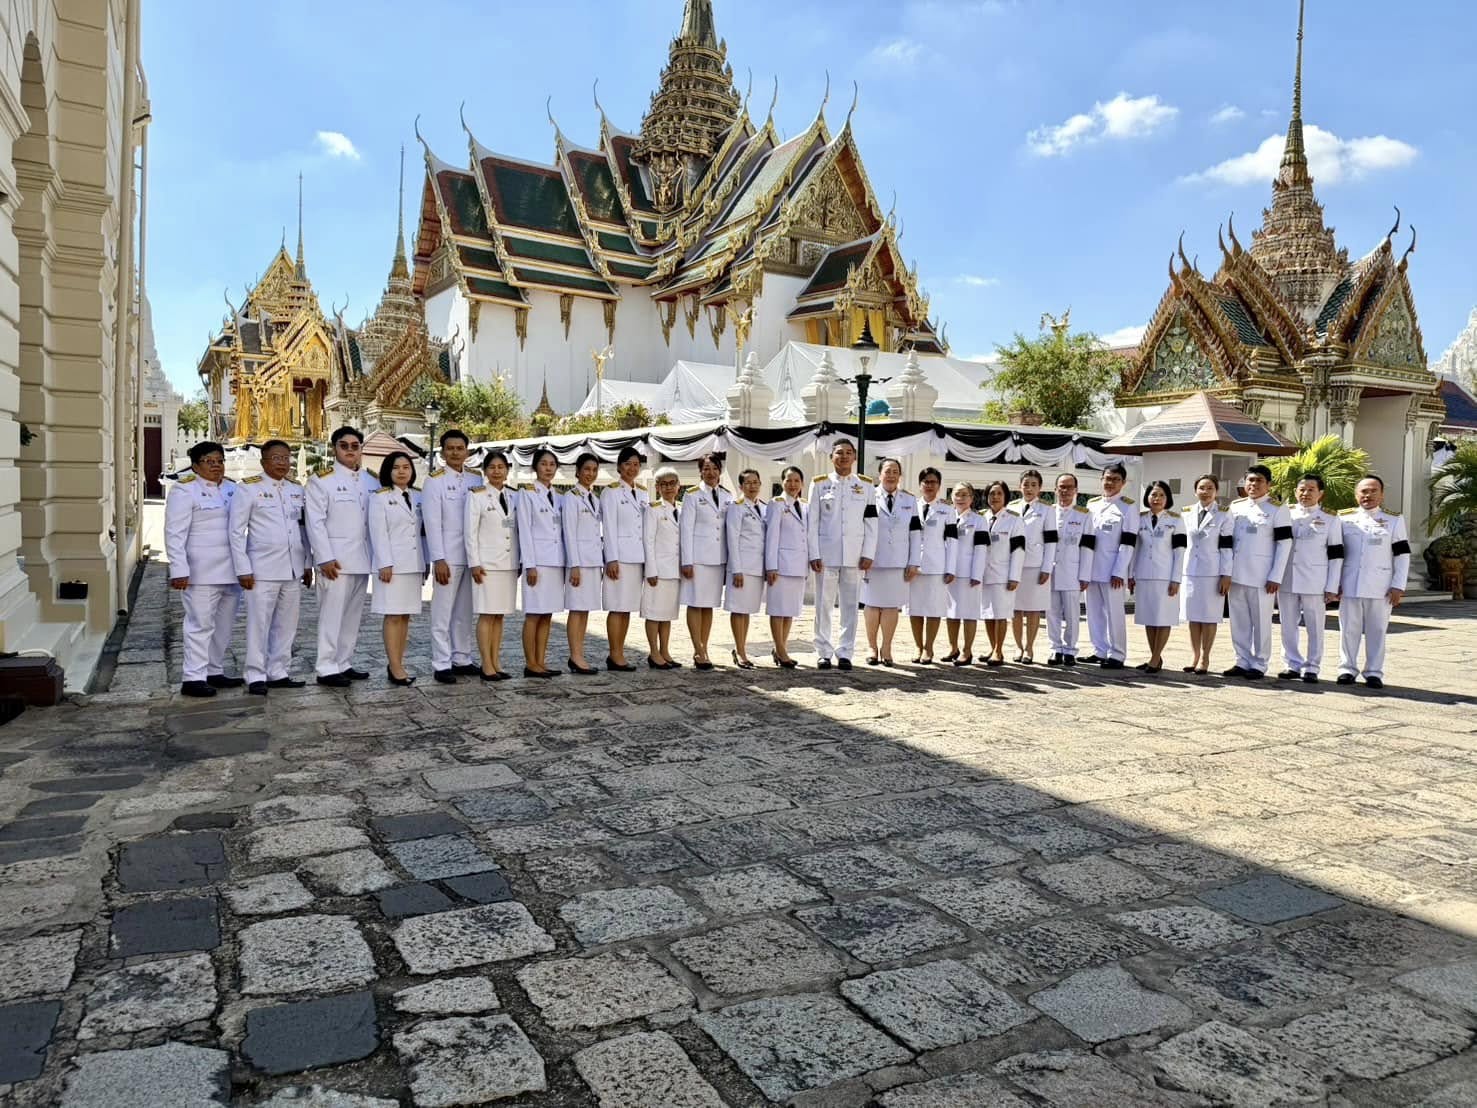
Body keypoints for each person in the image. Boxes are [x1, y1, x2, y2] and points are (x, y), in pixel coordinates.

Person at [228, 439, 312, 696]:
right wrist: (243, 568)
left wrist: (307, 564)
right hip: (261, 569)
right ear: (264, 461)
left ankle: (279, 671)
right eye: (277, 458)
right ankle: (255, 674)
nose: (283, 463)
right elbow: (235, 531)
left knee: (287, 623)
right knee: (259, 623)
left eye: (286, 458)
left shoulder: (296, 490)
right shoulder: (249, 489)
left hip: (292, 568)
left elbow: (303, 530)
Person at [165, 441, 242, 697]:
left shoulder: (233, 489)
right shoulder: (185, 491)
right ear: (196, 465)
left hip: (232, 569)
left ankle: (213, 670)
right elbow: (175, 533)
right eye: (209, 461)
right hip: (201, 571)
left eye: (220, 461)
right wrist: (178, 569)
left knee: (223, 625)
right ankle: (193, 677)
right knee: (200, 625)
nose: (216, 466)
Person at [306, 426, 380, 687]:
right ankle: (326, 667)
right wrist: (323, 557)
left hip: (362, 558)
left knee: (352, 616)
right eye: (344, 445)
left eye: (355, 445)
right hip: (335, 561)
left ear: (361, 449)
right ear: (334, 448)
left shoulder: (372, 481)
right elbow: (315, 522)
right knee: (331, 615)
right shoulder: (321, 480)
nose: (350, 450)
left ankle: (344, 662)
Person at [807, 439, 878, 670]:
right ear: (831, 457)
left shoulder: (866, 486)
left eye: (849, 453)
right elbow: (813, 522)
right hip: (826, 554)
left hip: (854, 555)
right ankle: (824, 652)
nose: (844, 457)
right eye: (839, 453)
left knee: (850, 605)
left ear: (855, 457)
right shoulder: (819, 484)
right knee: (823, 605)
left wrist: (868, 552)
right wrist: (814, 553)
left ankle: (845, 651)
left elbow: (871, 522)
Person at [421, 429, 484, 684]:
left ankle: (462, 658)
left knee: (465, 611)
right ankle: (441, 662)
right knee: (442, 611)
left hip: (471, 555)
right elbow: (432, 522)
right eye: (450, 448)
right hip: (448, 554)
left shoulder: (475, 478)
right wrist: (438, 558)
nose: (455, 453)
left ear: (467, 452)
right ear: (442, 451)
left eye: (460, 448)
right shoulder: (434, 481)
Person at [1336, 474, 1409, 690]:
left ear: (1382, 494)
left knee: (1377, 630)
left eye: (1373, 491)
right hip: (1349, 583)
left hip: (1381, 586)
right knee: (1348, 629)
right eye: (1363, 491)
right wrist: (1334, 583)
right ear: (1356, 494)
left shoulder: (1394, 520)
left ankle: (1374, 672)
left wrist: (1398, 585)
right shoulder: (1343, 519)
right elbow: (1337, 553)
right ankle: (1346, 669)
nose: (1368, 495)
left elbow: (1402, 555)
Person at [1224, 464, 1293, 680]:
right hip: (1236, 574)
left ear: (1268, 485)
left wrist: (1276, 575)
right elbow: (1226, 541)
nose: (1253, 485)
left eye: (1259, 481)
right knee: (1238, 620)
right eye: (1250, 480)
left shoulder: (1277, 509)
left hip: (1262, 576)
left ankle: (1260, 663)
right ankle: (1242, 660)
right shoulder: (1235, 507)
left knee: (1262, 621)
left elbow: (1284, 545)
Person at [1279, 473, 1344, 683]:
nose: (1305, 493)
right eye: (1302, 489)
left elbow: (1336, 555)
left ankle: (1312, 667)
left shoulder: (1331, 519)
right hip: (1287, 577)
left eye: (1310, 490)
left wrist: (1332, 585)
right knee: (1287, 624)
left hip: (1315, 580)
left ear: (1320, 493)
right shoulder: (1284, 514)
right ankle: (1291, 664)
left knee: (1315, 626)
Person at [368, 452, 427, 686]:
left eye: (406, 467)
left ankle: (398, 662)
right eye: (396, 468)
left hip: (412, 564)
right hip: (392, 566)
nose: (402, 471)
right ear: (388, 472)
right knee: (393, 615)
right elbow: (378, 532)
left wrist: (426, 563)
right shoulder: (380, 498)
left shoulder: (416, 496)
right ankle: (394, 666)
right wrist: (384, 563)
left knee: (405, 616)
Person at [465, 451, 519, 681]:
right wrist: (474, 563)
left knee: (500, 616)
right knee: (487, 615)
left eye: (501, 467)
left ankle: (496, 661)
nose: (497, 471)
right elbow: (470, 532)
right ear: (485, 471)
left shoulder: (514, 496)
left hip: (508, 564)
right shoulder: (476, 496)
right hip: (487, 565)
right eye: (492, 467)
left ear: (507, 470)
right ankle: (486, 664)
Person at [863, 459, 921, 667]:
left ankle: (886, 646)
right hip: (873, 560)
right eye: (887, 471)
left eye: (895, 472)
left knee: (890, 607)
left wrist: (914, 561)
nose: (891, 475)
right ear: (879, 474)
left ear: (900, 476)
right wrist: (863, 555)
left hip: (898, 561)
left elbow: (915, 533)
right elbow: (864, 527)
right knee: (871, 605)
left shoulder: (909, 500)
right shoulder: (869, 495)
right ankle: (872, 646)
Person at [1083, 463, 1138, 670]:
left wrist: (1119, 571)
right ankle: (1099, 649)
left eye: (1115, 479)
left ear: (1123, 483)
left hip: (1113, 569)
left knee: (1115, 614)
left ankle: (1117, 653)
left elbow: (1128, 542)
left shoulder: (1128, 506)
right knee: (1093, 612)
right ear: (1101, 479)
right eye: (1107, 478)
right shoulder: (1092, 504)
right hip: (1092, 568)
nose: (1110, 483)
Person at [680, 453, 732, 670]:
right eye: (706, 469)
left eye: (715, 468)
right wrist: (687, 561)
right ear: (700, 471)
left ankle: (705, 646)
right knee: (696, 602)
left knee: (709, 604)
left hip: (718, 558)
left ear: (720, 471)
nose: (711, 473)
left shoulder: (727, 495)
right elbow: (686, 529)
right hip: (698, 557)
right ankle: (697, 649)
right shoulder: (692, 495)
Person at [516, 448, 564, 679]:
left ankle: (541, 661)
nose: (548, 468)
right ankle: (530, 662)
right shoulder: (527, 493)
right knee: (534, 614)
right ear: (535, 467)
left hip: (555, 562)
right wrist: (530, 565)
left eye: (552, 464)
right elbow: (524, 530)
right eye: (544, 464)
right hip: (538, 563)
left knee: (547, 615)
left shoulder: (559, 496)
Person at [1129, 480, 1186, 674]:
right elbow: (1135, 548)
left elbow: (1180, 552)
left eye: (1161, 495)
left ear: (1168, 498)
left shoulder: (1176, 520)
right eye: (1153, 495)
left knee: (1163, 618)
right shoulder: (1140, 519)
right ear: (1147, 498)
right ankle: (1155, 656)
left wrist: (1176, 578)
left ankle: (1155, 658)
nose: (1157, 499)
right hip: (1144, 574)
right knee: (1149, 617)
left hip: (1165, 576)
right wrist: (1131, 574)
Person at [1180, 474, 1233, 675]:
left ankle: (1205, 657)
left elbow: (1227, 547)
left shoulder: (1224, 514)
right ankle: (1194, 656)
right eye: (1202, 488)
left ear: (1216, 491)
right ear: (1196, 491)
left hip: (1213, 572)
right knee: (1193, 616)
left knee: (1209, 617)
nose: (1205, 491)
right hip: (1191, 572)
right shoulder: (1186, 513)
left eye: (1210, 488)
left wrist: (1226, 574)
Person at [602, 446, 647, 671]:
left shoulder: (643, 493)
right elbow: (608, 527)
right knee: (616, 606)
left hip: (636, 557)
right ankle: (614, 653)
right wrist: (611, 558)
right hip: (619, 557)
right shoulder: (610, 492)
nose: (632, 468)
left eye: (636, 464)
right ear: (619, 466)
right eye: (628, 463)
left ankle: (620, 652)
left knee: (627, 606)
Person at [562, 452, 605, 676]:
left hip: (592, 561)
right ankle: (575, 655)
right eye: (586, 469)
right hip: (579, 563)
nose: (590, 474)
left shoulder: (594, 498)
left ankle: (579, 653)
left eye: (594, 470)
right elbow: (569, 533)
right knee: (576, 609)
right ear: (577, 471)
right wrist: (574, 565)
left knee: (585, 609)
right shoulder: (571, 497)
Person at [1009, 470, 1057, 664]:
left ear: (1040, 488)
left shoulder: (1047, 509)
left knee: (1033, 609)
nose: (1029, 488)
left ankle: (1029, 647)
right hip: (1014, 565)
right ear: (1020, 486)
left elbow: (1051, 541)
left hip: (1036, 565)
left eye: (1033, 485)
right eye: (1026, 484)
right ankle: (1019, 647)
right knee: (1015, 610)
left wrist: (1047, 567)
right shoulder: (1011, 507)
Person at [974, 480, 1025, 666]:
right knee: (987, 613)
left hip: (1003, 574)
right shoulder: (980, 517)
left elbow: (1018, 550)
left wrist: (1014, 576)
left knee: (1000, 613)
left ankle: (999, 650)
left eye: (999, 494)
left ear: (1005, 497)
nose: (994, 497)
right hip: (983, 574)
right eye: (991, 494)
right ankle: (992, 647)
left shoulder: (1014, 519)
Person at [1045, 473, 1091, 667]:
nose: (1065, 490)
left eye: (1069, 487)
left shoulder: (1084, 515)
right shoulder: (1049, 512)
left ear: (1076, 490)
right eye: (1061, 487)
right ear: (1055, 489)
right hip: (1050, 570)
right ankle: (1055, 648)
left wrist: (1085, 574)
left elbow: (1088, 547)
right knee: (1052, 612)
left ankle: (1070, 649)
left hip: (1072, 571)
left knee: (1072, 614)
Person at [764, 465, 808, 668]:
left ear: (802, 484)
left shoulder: (804, 506)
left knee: (790, 609)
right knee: (778, 609)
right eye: (789, 480)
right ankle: (780, 650)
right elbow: (771, 537)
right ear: (782, 482)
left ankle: (782, 646)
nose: (792, 485)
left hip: (798, 565)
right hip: (781, 565)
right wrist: (771, 566)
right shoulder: (777, 504)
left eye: (797, 480)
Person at [908, 467, 952, 665]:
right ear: (920, 485)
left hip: (936, 565)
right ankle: (918, 646)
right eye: (925, 481)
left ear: (939, 486)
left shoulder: (947, 509)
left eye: (933, 482)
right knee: (914, 608)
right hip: (913, 565)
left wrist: (950, 568)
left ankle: (929, 647)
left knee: (933, 609)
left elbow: (952, 542)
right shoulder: (910, 506)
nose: (929, 485)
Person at [725, 468, 768, 668]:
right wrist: (736, 569)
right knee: (739, 609)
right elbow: (732, 538)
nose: (752, 486)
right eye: (748, 483)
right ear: (741, 486)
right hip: (742, 566)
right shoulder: (737, 507)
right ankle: (740, 650)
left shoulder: (765, 507)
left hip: (757, 567)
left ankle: (742, 647)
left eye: (755, 482)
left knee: (747, 610)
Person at [642, 467, 684, 670]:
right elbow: (648, 540)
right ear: (657, 487)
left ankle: (665, 650)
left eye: (672, 483)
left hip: (674, 570)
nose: (668, 487)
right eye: (664, 484)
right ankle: (653, 652)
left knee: (667, 614)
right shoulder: (653, 509)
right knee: (654, 612)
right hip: (658, 570)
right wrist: (651, 569)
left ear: (679, 486)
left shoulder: (682, 509)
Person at [944, 482, 982, 666]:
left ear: (972, 498)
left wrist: (977, 573)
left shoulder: (979, 520)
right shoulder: (947, 516)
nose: (960, 498)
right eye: (957, 494)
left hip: (969, 574)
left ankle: (967, 650)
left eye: (965, 495)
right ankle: (953, 648)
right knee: (951, 612)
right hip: (949, 573)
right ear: (952, 497)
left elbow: (981, 550)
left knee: (968, 613)